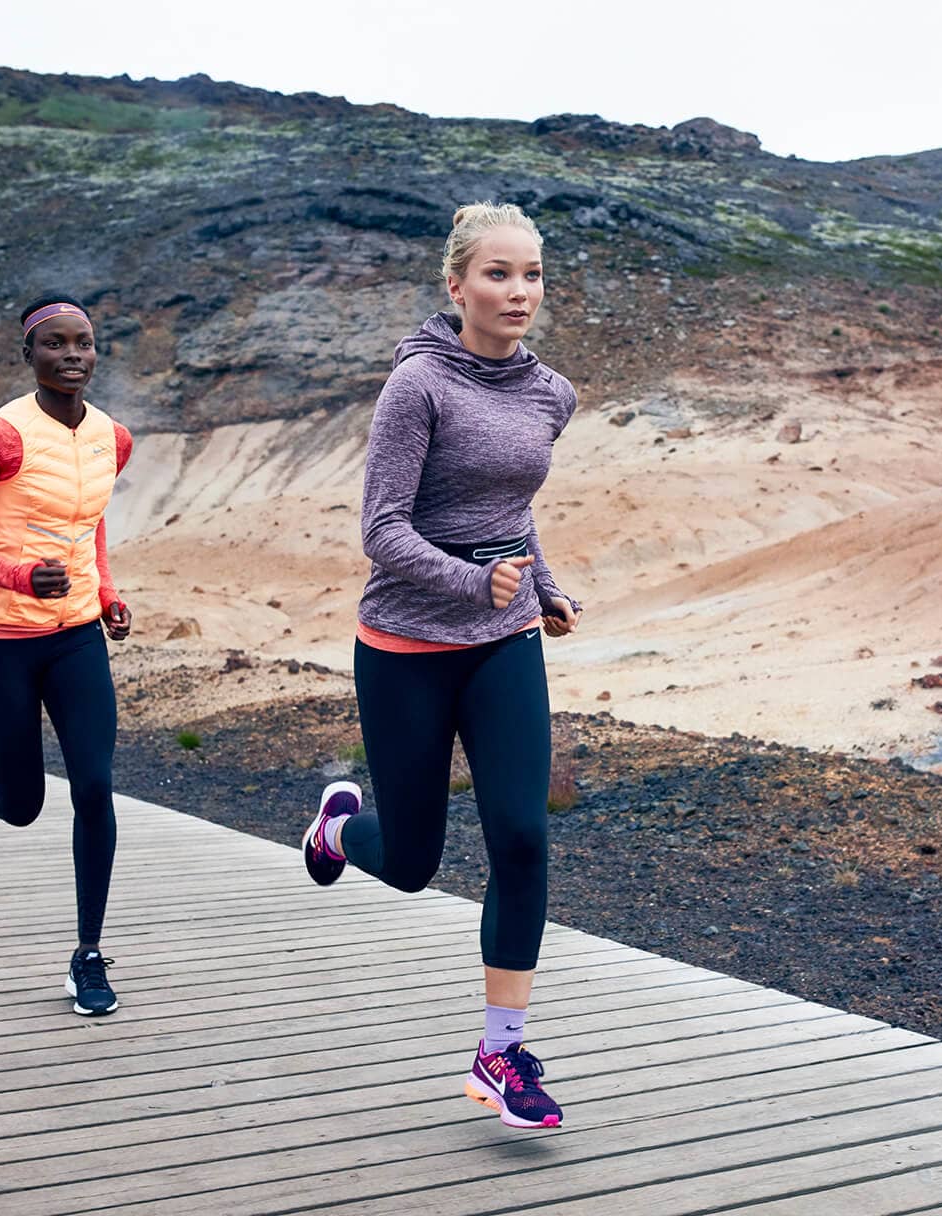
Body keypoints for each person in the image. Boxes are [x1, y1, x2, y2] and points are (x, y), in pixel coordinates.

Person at [302, 203, 582, 1128]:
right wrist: (475, 581)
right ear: (456, 285)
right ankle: (340, 830)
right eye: (499, 275)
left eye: (533, 275)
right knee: (417, 861)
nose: (519, 293)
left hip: (501, 644)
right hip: (406, 651)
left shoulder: (552, 395)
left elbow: (512, 511)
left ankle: (501, 1054)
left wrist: (540, 585)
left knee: (522, 837)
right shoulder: (416, 387)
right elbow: (382, 533)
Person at [0, 293, 134, 1016]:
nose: (73, 354)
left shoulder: (114, 437)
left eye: (85, 342)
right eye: (56, 344)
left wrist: (104, 592)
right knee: (20, 804)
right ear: (29, 354)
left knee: (94, 789)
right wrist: (15, 576)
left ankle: (87, 956)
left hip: (75, 638)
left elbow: (91, 523)